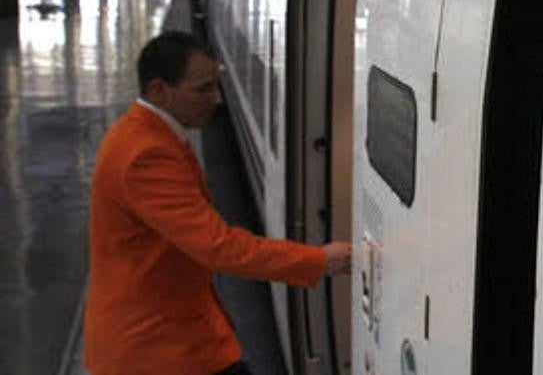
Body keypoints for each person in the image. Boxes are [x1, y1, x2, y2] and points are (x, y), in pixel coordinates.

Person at [84, 31, 352, 374]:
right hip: (154, 349)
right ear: (158, 90)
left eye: (215, 85)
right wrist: (319, 260)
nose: (216, 99)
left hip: (173, 335)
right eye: (202, 89)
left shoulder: (146, 133)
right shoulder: (146, 154)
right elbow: (219, 247)